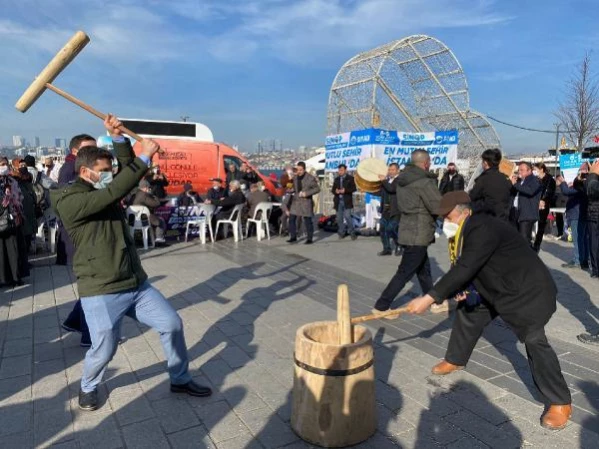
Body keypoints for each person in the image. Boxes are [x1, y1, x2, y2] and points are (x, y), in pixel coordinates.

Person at [51, 115, 211, 411]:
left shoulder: (103, 189)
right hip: (101, 288)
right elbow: (117, 187)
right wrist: (145, 155)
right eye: (104, 171)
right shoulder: (68, 199)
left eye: (110, 169)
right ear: (85, 172)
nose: (110, 174)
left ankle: (179, 377)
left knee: (172, 324)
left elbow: (123, 177)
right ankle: (88, 386)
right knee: (105, 348)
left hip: (135, 282)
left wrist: (119, 139)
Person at [404, 191, 572, 430]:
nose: (446, 222)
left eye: (449, 216)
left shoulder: (483, 227)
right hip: (493, 288)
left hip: (526, 291)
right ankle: (455, 359)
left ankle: (560, 401)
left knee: (534, 340)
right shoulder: (466, 229)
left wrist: (430, 297)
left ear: (465, 211)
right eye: (443, 218)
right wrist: (460, 290)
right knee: (470, 312)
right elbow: (467, 268)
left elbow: (467, 265)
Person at [372, 150, 441, 314]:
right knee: (404, 272)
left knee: (424, 270)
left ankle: (433, 301)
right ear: (426, 163)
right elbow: (437, 205)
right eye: (429, 162)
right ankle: (381, 305)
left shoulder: (402, 179)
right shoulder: (424, 182)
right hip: (419, 231)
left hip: (407, 228)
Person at [0, 157, 27, 286]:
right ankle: (3, 278)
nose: (4, 167)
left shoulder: (11, 181)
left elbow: (19, 197)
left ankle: (15, 277)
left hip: (12, 220)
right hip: (2, 220)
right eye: (1, 164)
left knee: (13, 249)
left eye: (5, 164)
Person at [557, 169, 589, 270]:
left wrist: (562, 182)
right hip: (580, 215)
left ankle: (577, 260)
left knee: (578, 239)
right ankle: (584, 260)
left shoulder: (581, 187)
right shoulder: (583, 186)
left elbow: (566, 191)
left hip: (577, 216)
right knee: (583, 239)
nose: (578, 175)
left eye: (580, 174)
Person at [469, 148, 512, 220]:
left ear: (485, 163)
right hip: (503, 218)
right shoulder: (505, 178)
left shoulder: (483, 179)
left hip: (488, 219)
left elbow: (472, 196)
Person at [509, 161, 542, 247]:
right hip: (516, 212)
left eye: (522, 170)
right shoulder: (520, 181)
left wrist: (515, 185)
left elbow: (530, 191)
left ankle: (529, 258)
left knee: (524, 239)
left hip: (527, 214)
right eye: (519, 170)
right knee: (516, 238)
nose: (519, 172)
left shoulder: (534, 180)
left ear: (529, 171)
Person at [287, 161, 320, 245]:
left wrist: (307, 193)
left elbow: (317, 189)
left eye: (300, 170)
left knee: (307, 220)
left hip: (306, 202)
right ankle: (293, 237)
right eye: (297, 170)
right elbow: (295, 188)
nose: (298, 171)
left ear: (304, 170)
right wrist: (291, 190)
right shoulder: (295, 177)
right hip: (296, 201)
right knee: (291, 218)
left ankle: (309, 238)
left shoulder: (310, 178)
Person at [132, 179, 168, 246]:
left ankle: (149, 239)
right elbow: (155, 203)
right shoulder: (144, 195)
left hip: (134, 219)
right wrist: (153, 195)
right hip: (143, 218)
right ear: (145, 187)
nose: (149, 189)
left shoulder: (134, 194)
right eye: (149, 188)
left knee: (154, 219)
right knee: (160, 220)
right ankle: (159, 240)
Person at [11, 164, 37, 253]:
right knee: (26, 239)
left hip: (23, 216)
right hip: (27, 216)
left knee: (24, 239)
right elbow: (34, 198)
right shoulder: (28, 186)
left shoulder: (15, 185)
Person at [377, 163, 400, 256]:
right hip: (385, 209)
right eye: (389, 170)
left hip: (395, 210)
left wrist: (383, 181)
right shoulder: (387, 181)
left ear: (397, 170)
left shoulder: (400, 180)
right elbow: (381, 192)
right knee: (382, 230)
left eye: (393, 170)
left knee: (392, 229)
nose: (390, 172)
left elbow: (391, 189)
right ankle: (387, 248)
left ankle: (399, 245)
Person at [532, 163, 556, 252]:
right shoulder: (534, 179)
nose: (534, 171)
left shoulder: (550, 180)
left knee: (541, 225)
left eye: (535, 169)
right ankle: (529, 241)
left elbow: (549, 192)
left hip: (543, 205)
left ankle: (537, 245)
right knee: (529, 222)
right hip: (533, 204)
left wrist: (543, 200)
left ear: (541, 169)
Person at [332, 164, 357, 240]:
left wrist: (345, 191)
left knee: (347, 217)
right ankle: (341, 232)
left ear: (345, 170)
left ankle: (352, 232)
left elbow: (354, 188)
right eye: (339, 170)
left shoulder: (350, 178)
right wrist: (335, 191)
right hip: (338, 201)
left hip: (346, 201)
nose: (340, 172)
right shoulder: (336, 179)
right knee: (339, 218)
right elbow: (333, 189)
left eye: (342, 170)